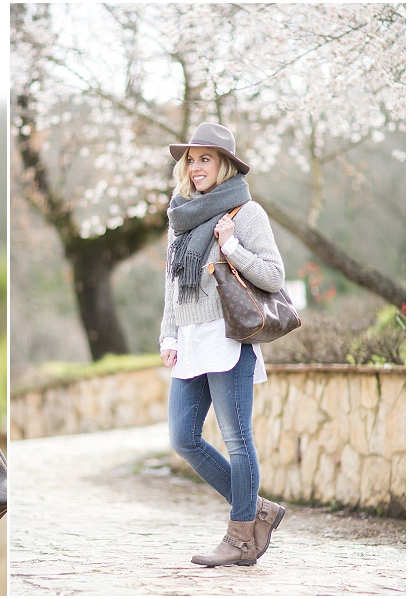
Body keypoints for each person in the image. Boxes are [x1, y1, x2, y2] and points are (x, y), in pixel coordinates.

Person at [160, 122, 287, 567]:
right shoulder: (181, 215)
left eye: (205, 159)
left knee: (236, 438)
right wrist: (168, 334)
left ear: (225, 164)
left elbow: (273, 277)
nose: (195, 167)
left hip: (229, 339)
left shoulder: (247, 214)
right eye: (191, 159)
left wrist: (232, 248)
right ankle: (258, 510)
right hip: (191, 341)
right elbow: (172, 286)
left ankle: (240, 538)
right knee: (183, 437)